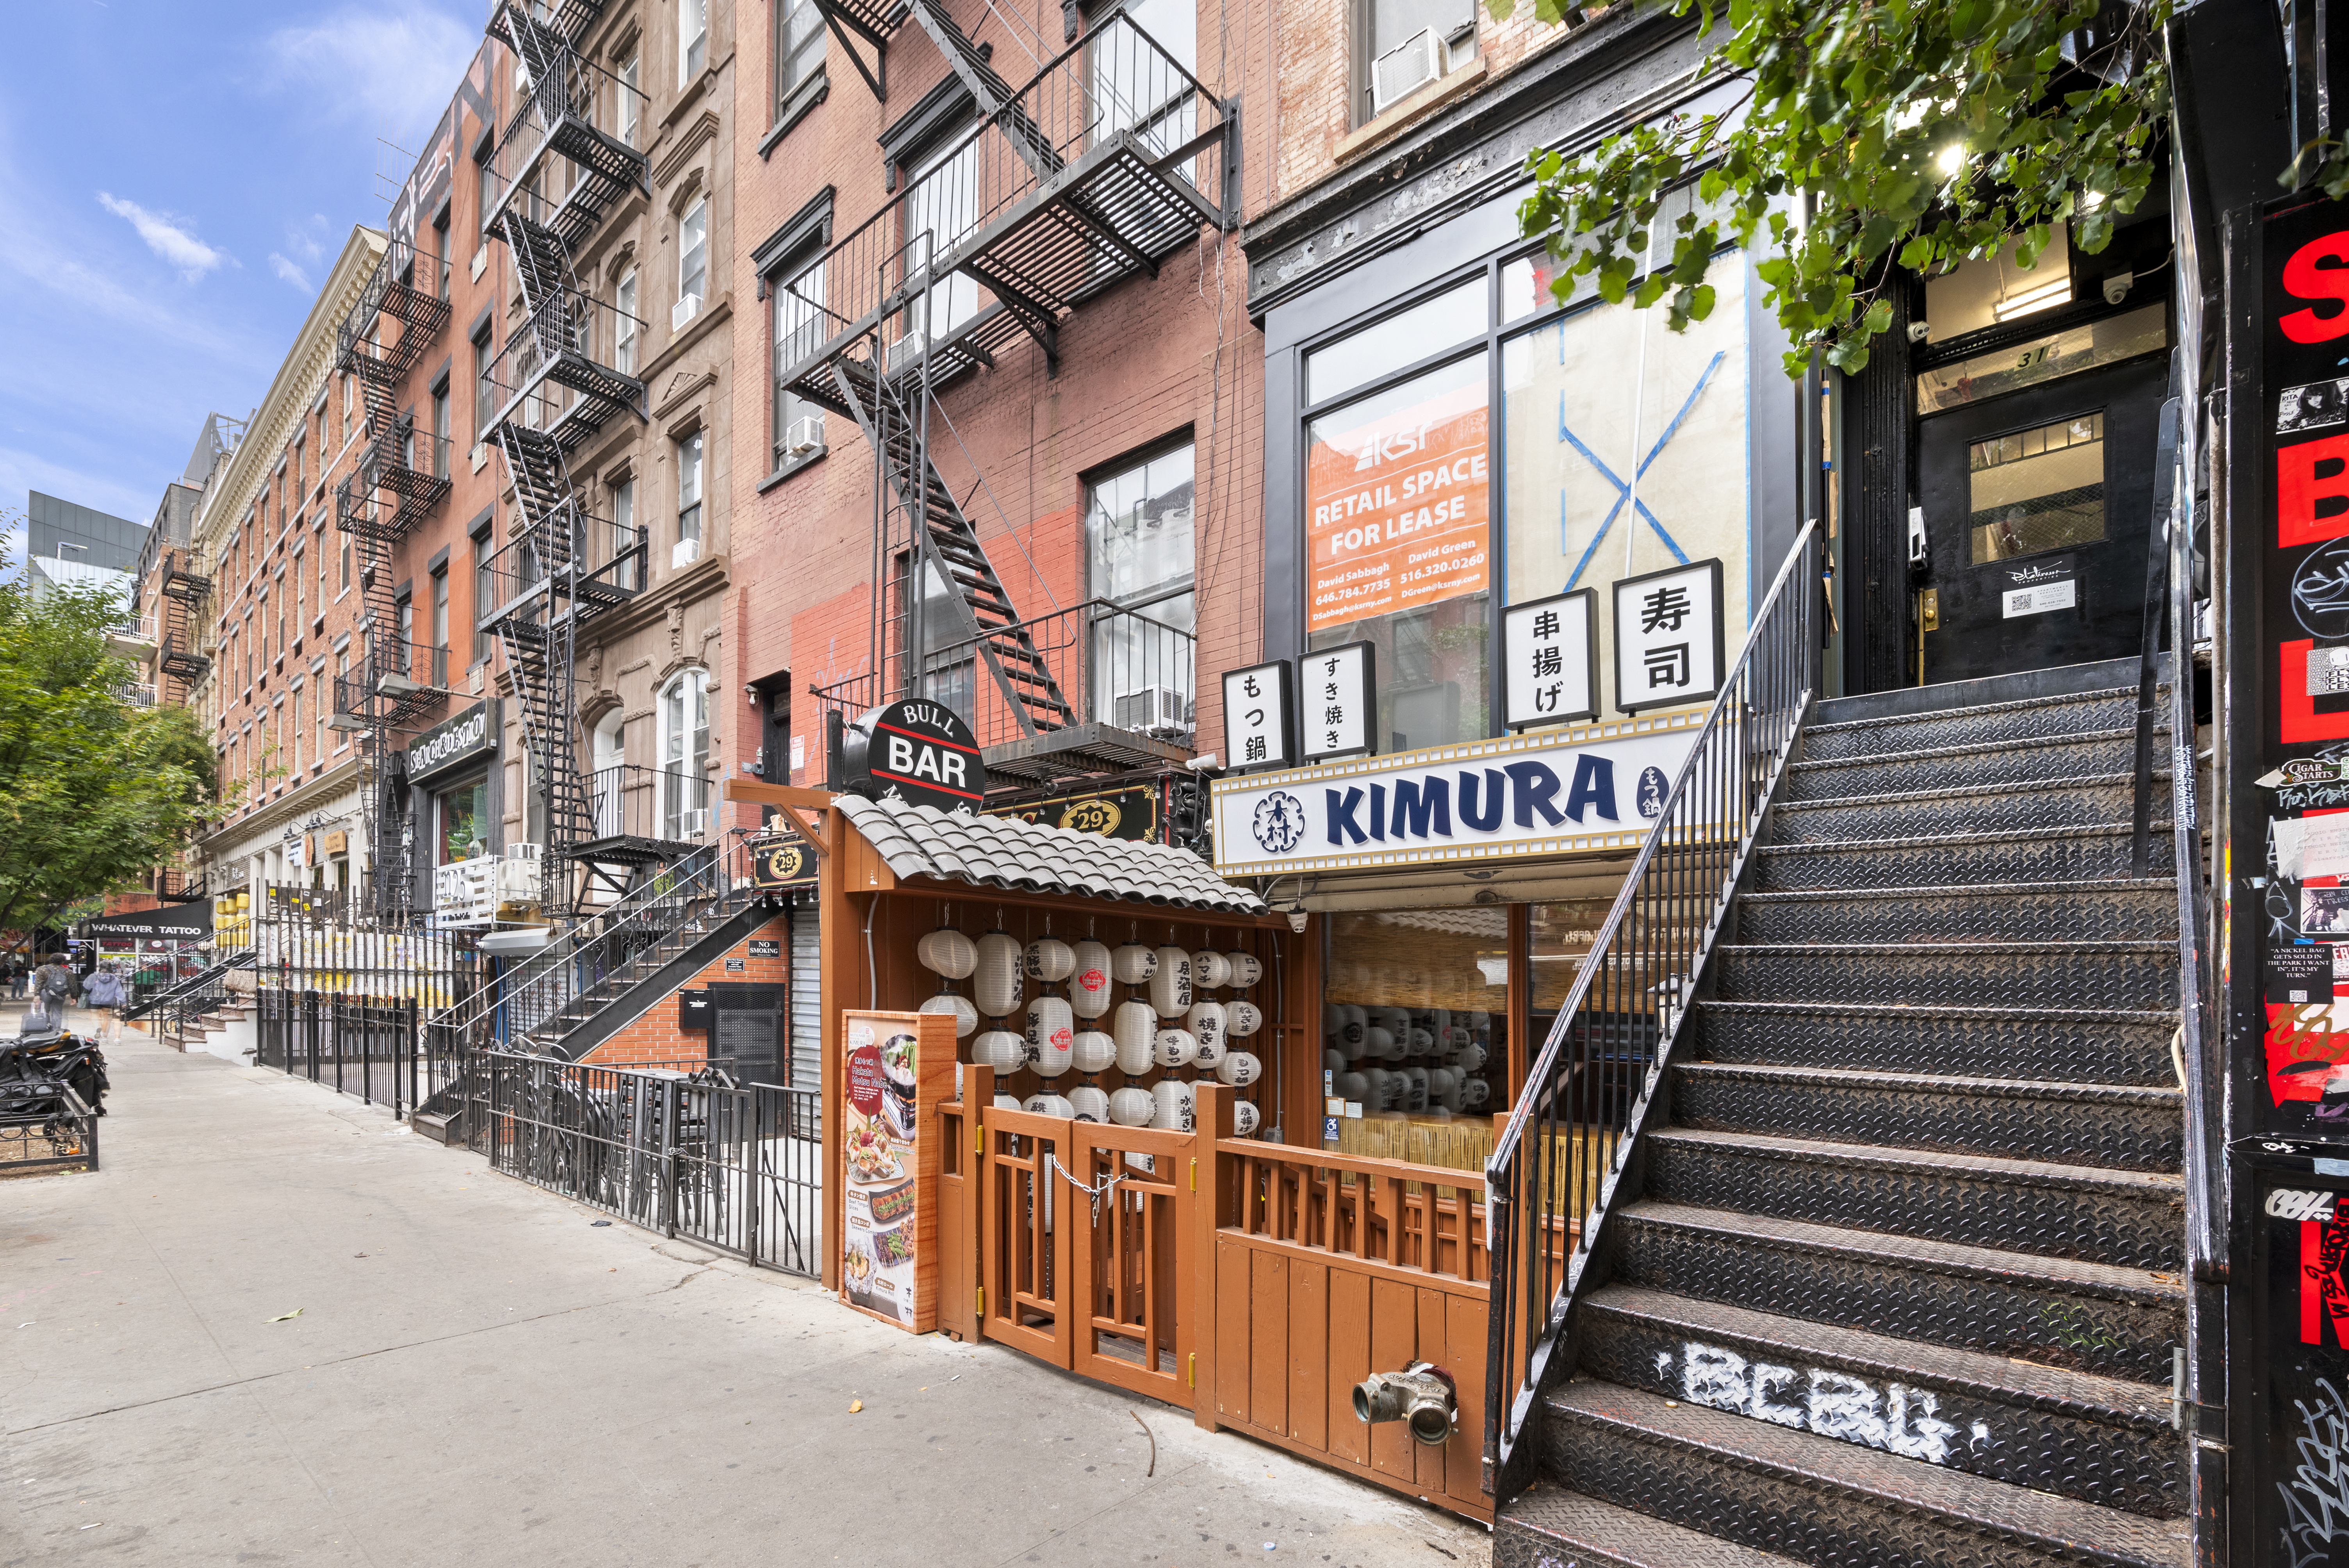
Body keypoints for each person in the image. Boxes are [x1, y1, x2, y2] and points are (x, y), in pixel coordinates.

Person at [23, 953, 77, 1036]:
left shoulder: (42, 969)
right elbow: (72, 985)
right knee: (58, 1012)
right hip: (60, 994)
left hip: (45, 993)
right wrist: (74, 997)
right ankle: (56, 1032)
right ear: (62, 961)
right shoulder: (68, 971)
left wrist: (37, 995)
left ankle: (44, 1030)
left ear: (51, 960)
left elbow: (38, 983)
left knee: (44, 1011)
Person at [82, 961, 126, 1044]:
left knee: (95, 1015)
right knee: (105, 1016)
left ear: (100, 968)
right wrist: (123, 1002)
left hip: (95, 1000)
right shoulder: (115, 979)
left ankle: (98, 1027)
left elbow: (87, 986)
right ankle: (104, 1036)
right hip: (108, 1000)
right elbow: (119, 992)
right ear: (110, 968)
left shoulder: (93, 976)